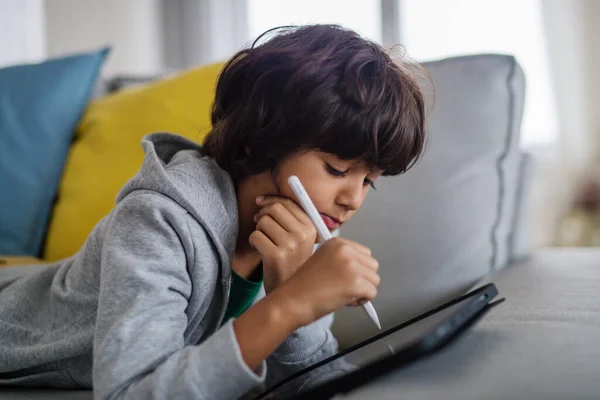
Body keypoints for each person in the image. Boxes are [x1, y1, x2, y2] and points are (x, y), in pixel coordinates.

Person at [0, 24, 426, 399]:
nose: (353, 198)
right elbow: (132, 392)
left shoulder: (297, 237)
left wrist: (293, 292)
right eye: (337, 169)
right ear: (258, 142)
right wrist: (290, 304)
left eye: (369, 180)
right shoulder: (157, 219)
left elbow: (312, 381)